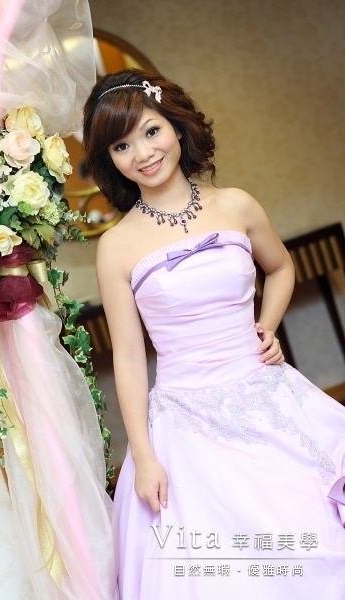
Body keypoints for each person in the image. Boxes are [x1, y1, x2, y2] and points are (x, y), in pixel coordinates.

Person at [83, 68, 345, 599]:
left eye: (151, 131)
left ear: (176, 127)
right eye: (121, 146)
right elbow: (129, 358)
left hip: (267, 395)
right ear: (110, 160)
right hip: (184, 420)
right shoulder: (116, 247)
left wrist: (266, 325)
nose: (143, 154)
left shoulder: (236, 204)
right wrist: (144, 456)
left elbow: (281, 267)